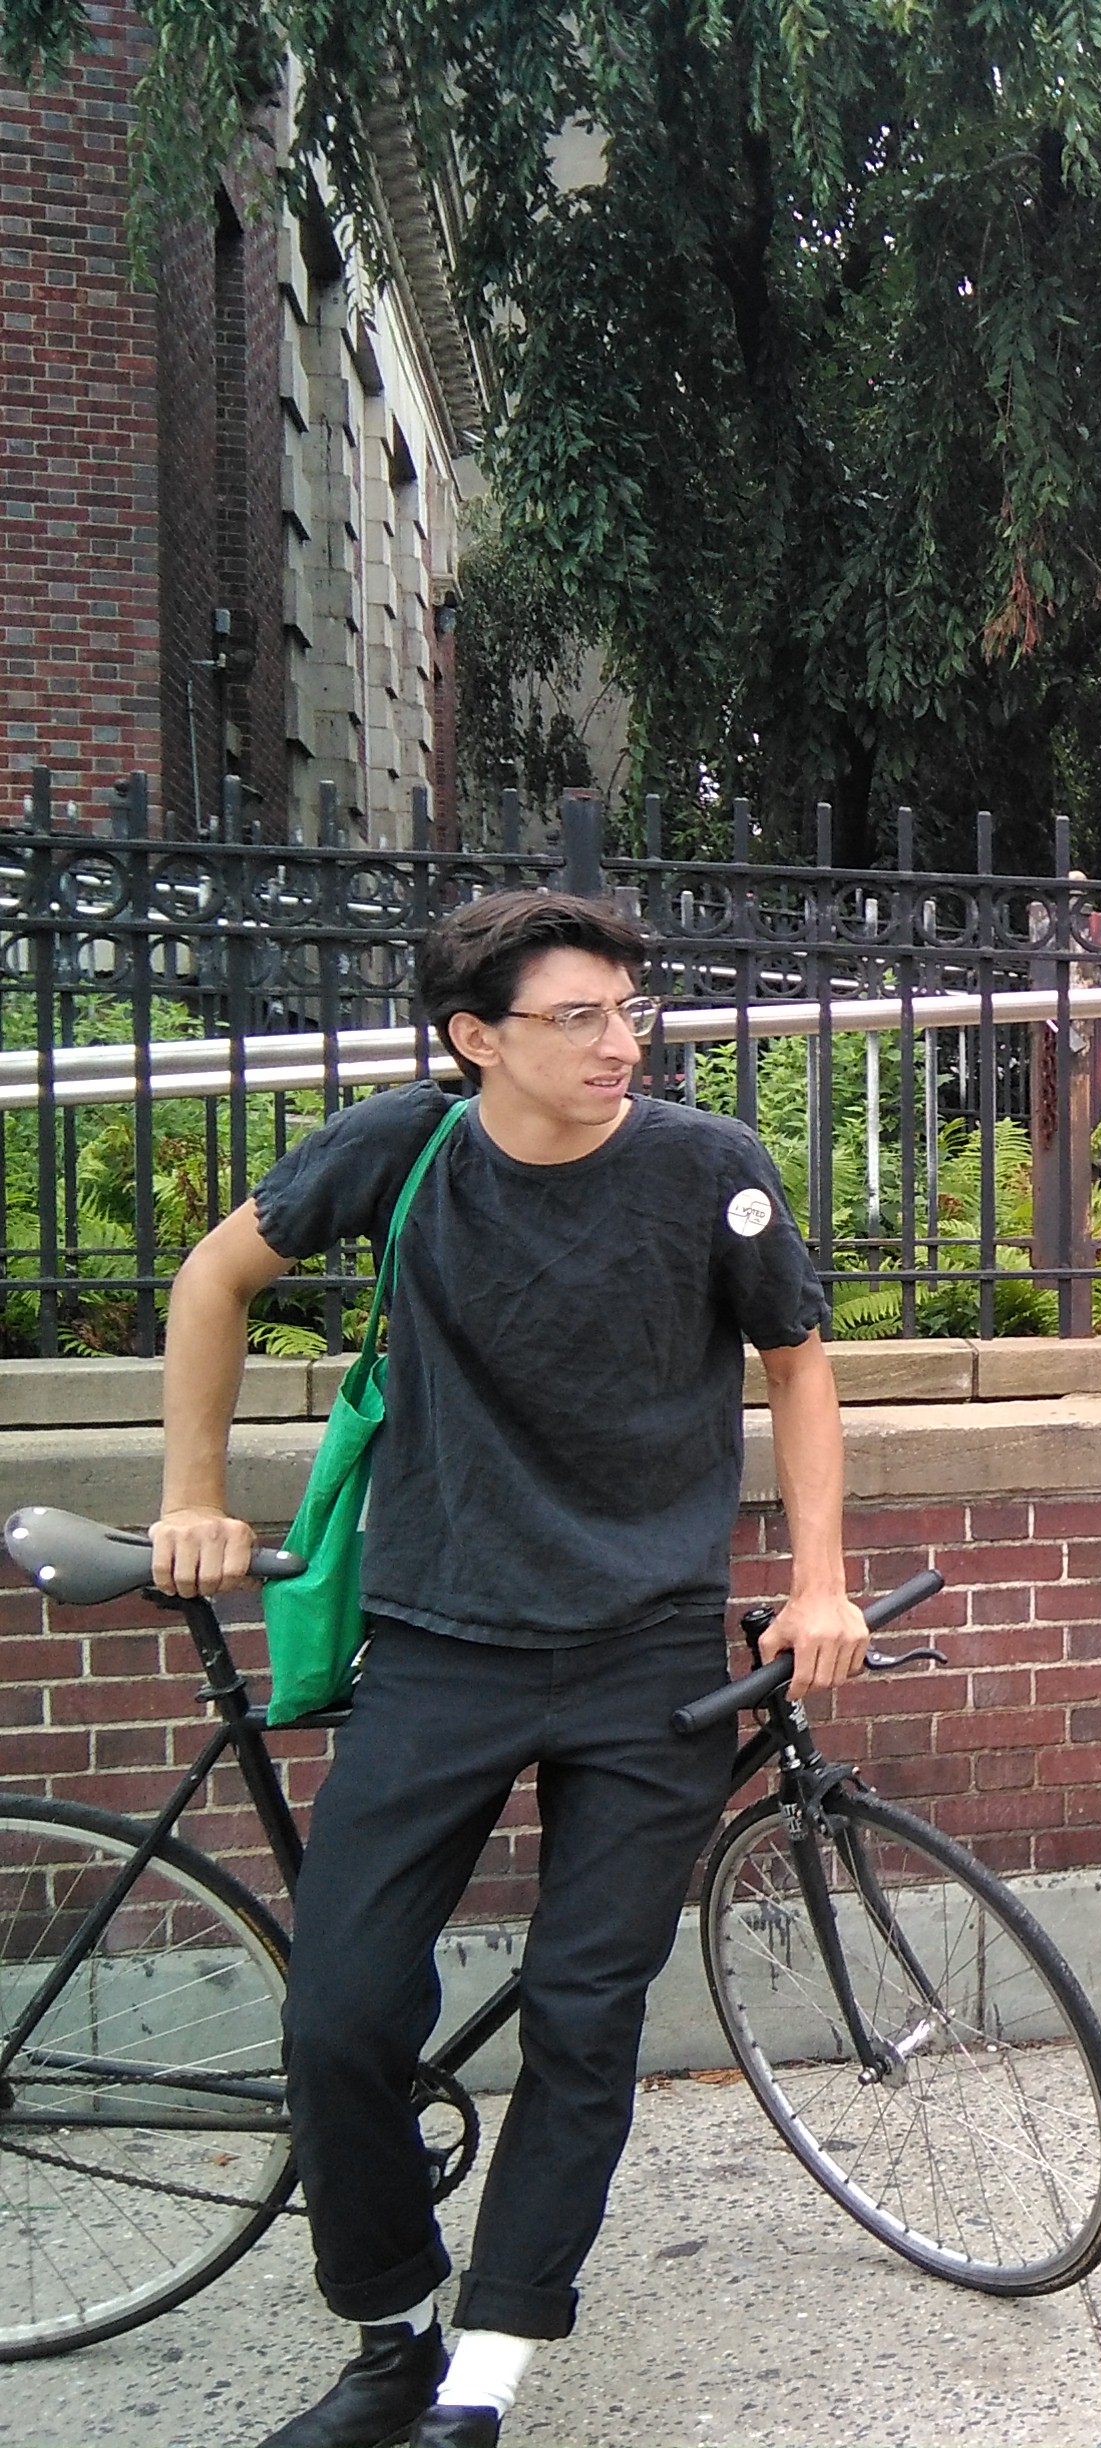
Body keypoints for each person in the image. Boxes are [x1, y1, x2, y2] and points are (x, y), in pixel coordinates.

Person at [150, 891, 870, 2448]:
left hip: (647, 1663)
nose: (624, 1044)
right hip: (442, 1642)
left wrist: (819, 1585)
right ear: (477, 1040)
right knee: (341, 2013)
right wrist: (191, 1493)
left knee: (582, 2016)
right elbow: (213, 1280)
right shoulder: (403, 1151)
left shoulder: (708, 1174)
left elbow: (800, 1360)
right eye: (580, 1018)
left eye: (631, 1011)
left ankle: (483, 2378)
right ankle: (391, 2333)